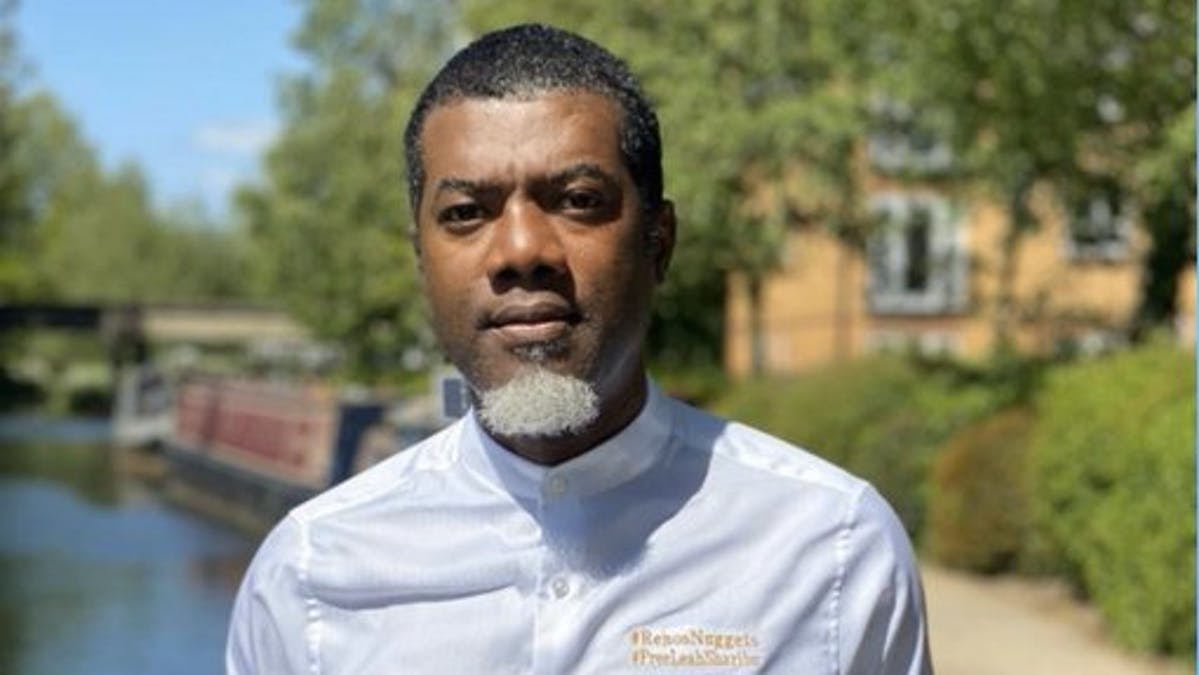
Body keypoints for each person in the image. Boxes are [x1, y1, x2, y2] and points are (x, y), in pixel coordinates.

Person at [227, 23, 932, 675]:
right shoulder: (309, 577)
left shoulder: (831, 551)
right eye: (465, 213)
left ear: (659, 242)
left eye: (577, 200)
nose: (521, 250)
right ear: (422, 260)